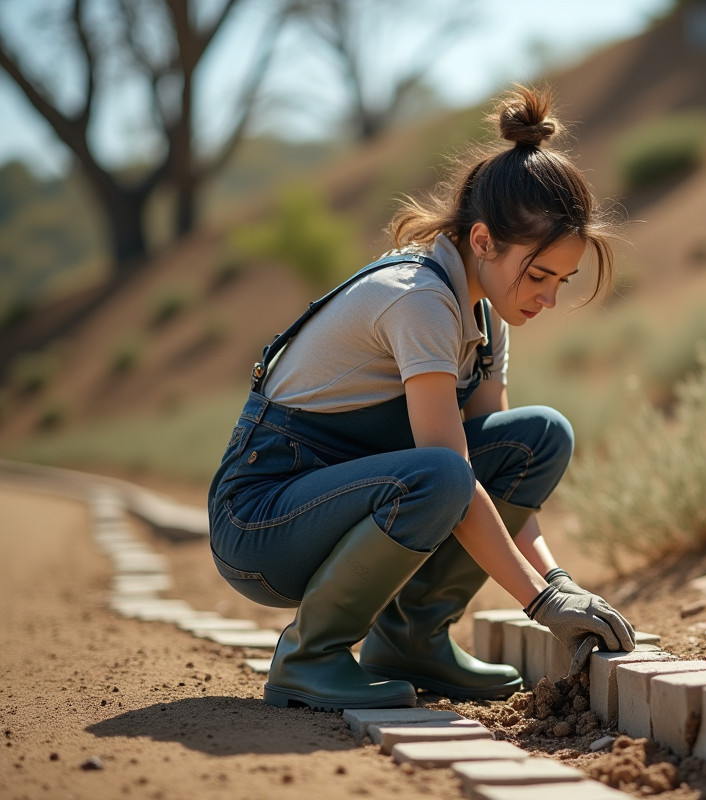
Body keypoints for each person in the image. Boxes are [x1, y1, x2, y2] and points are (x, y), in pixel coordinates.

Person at [207, 85, 635, 712]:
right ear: (483, 241)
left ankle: (412, 638)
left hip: (346, 500)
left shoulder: (485, 315)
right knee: (440, 474)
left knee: (537, 438)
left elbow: (498, 478)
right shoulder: (421, 300)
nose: (549, 299)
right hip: (261, 523)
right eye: (539, 275)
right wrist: (541, 603)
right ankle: (308, 657)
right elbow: (452, 475)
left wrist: (558, 581)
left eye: (562, 281)